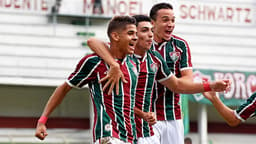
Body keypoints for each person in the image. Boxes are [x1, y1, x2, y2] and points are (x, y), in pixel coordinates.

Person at [87, 15, 230, 144]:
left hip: (149, 131)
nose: (150, 35)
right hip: (127, 132)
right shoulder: (121, 56)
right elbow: (92, 41)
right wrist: (113, 65)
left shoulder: (155, 59)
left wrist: (210, 85)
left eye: (151, 31)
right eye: (144, 31)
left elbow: (177, 85)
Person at [35, 16, 139, 144]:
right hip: (108, 134)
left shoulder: (133, 64)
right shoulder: (94, 62)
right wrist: (42, 121)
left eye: (136, 34)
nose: (135, 37)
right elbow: (64, 88)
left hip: (130, 136)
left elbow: (127, 104)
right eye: (130, 33)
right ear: (115, 36)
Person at [149, 3, 193, 144]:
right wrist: (113, 65)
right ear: (153, 23)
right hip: (147, 116)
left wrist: (170, 80)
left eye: (173, 20)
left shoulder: (180, 46)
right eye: (165, 20)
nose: (170, 24)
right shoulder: (141, 44)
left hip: (173, 116)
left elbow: (188, 81)